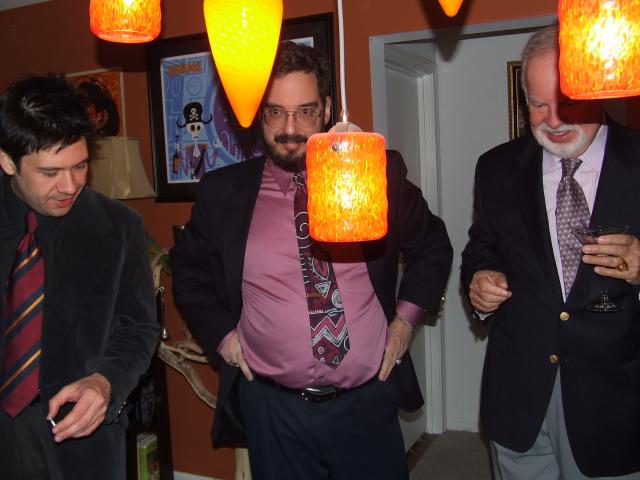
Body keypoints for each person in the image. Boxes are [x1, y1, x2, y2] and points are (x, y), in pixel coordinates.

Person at [171, 41, 452, 479]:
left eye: (304, 111)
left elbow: (433, 245)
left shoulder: (374, 173)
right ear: (259, 114)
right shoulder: (222, 193)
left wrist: (403, 323)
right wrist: (222, 337)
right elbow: (188, 273)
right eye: (276, 112)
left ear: (326, 110)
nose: (290, 128)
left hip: (366, 402)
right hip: (273, 411)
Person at [461, 25, 640, 479]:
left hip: (615, 398)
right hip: (518, 391)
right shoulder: (496, 167)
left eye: (567, 103)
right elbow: (481, 249)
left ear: (597, 92)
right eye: (539, 104)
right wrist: (479, 282)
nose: (554, 121)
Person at [0, 74, 159, 479]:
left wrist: (105, 383)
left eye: (80, 166)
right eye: (50, 172)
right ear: (7, 160)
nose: (69, 185)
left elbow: (139, 328)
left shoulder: (120, 226)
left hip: (81, 442)